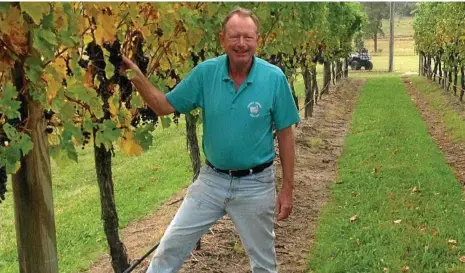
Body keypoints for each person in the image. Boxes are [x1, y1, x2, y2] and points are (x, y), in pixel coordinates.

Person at [121, 7, 300, 273]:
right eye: (235, 36)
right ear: (222, 39)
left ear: (257, 40)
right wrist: (133, 73)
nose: (241, 44)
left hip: (256, 185)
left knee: (264, 265)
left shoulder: (274, 78)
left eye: (248, 37)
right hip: (211, 181)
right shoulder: (206, 74)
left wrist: (287, 188)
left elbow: (286, 134)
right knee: (169, 248)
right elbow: (162, 106)